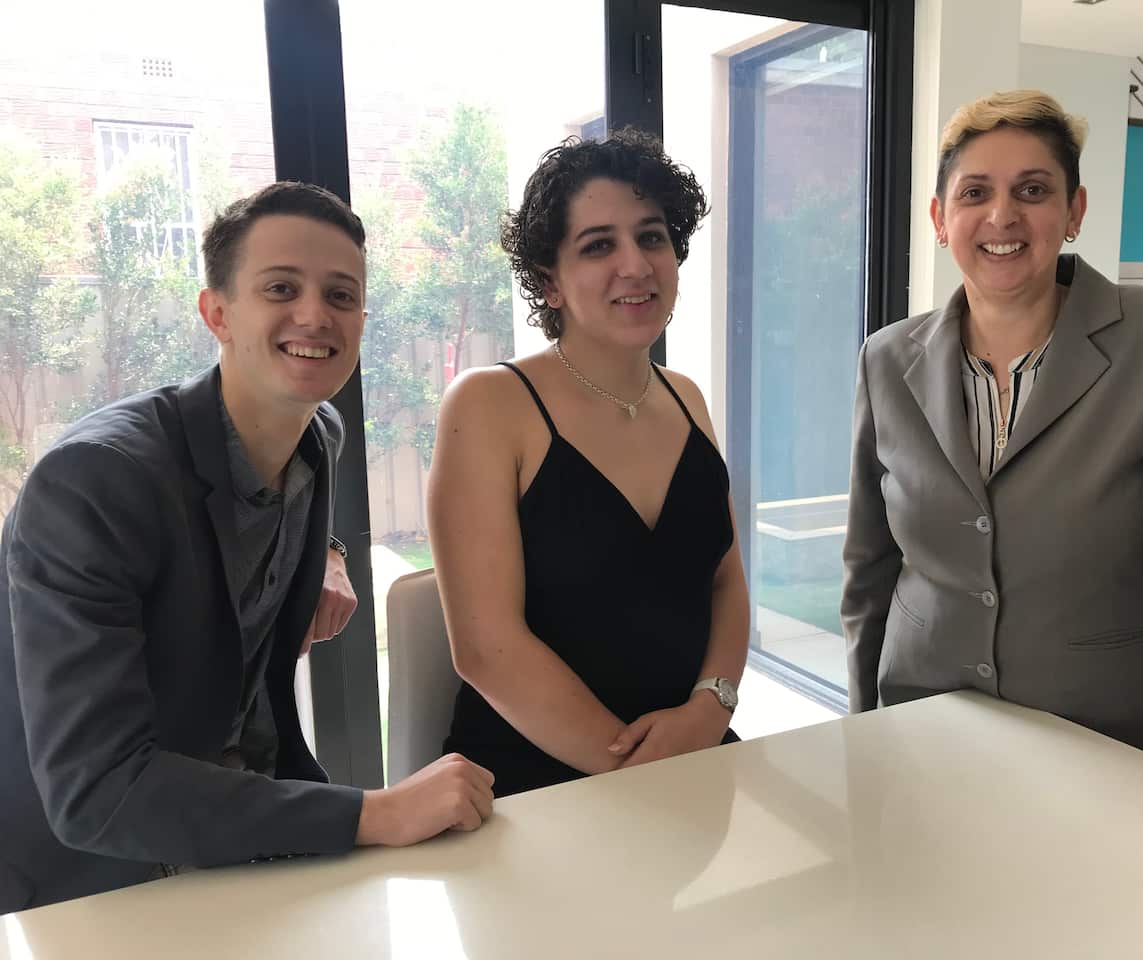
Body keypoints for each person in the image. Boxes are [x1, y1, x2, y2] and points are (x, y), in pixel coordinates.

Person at [0, 181, 494, 913]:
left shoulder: (317, 435)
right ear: (217, 313)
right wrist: (375, 812)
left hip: (242, 837)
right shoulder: (94, 483)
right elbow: (95, 791)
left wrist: (327, 551)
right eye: (281, 287)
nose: (314, 315)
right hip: (95, 883)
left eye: (341, 294)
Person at [841, 90, 1143, 818]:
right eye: (974, 193)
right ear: (940, 219)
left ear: (1074, 212)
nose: (1002, 216)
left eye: (1034, 191)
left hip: (1109, 743)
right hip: (926, 727)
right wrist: (863, 724)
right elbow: (870, 563)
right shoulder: (886, 358)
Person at [428, 129, 749, 798]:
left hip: (694, 758)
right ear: (549, 281)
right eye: (599, 245)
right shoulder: (490, 404)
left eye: (652, 236)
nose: (635, 265)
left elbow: (725, 582)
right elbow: (487, 648)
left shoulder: (687, 398)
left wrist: (712, 706)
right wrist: (636, 772)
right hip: (539, 786)